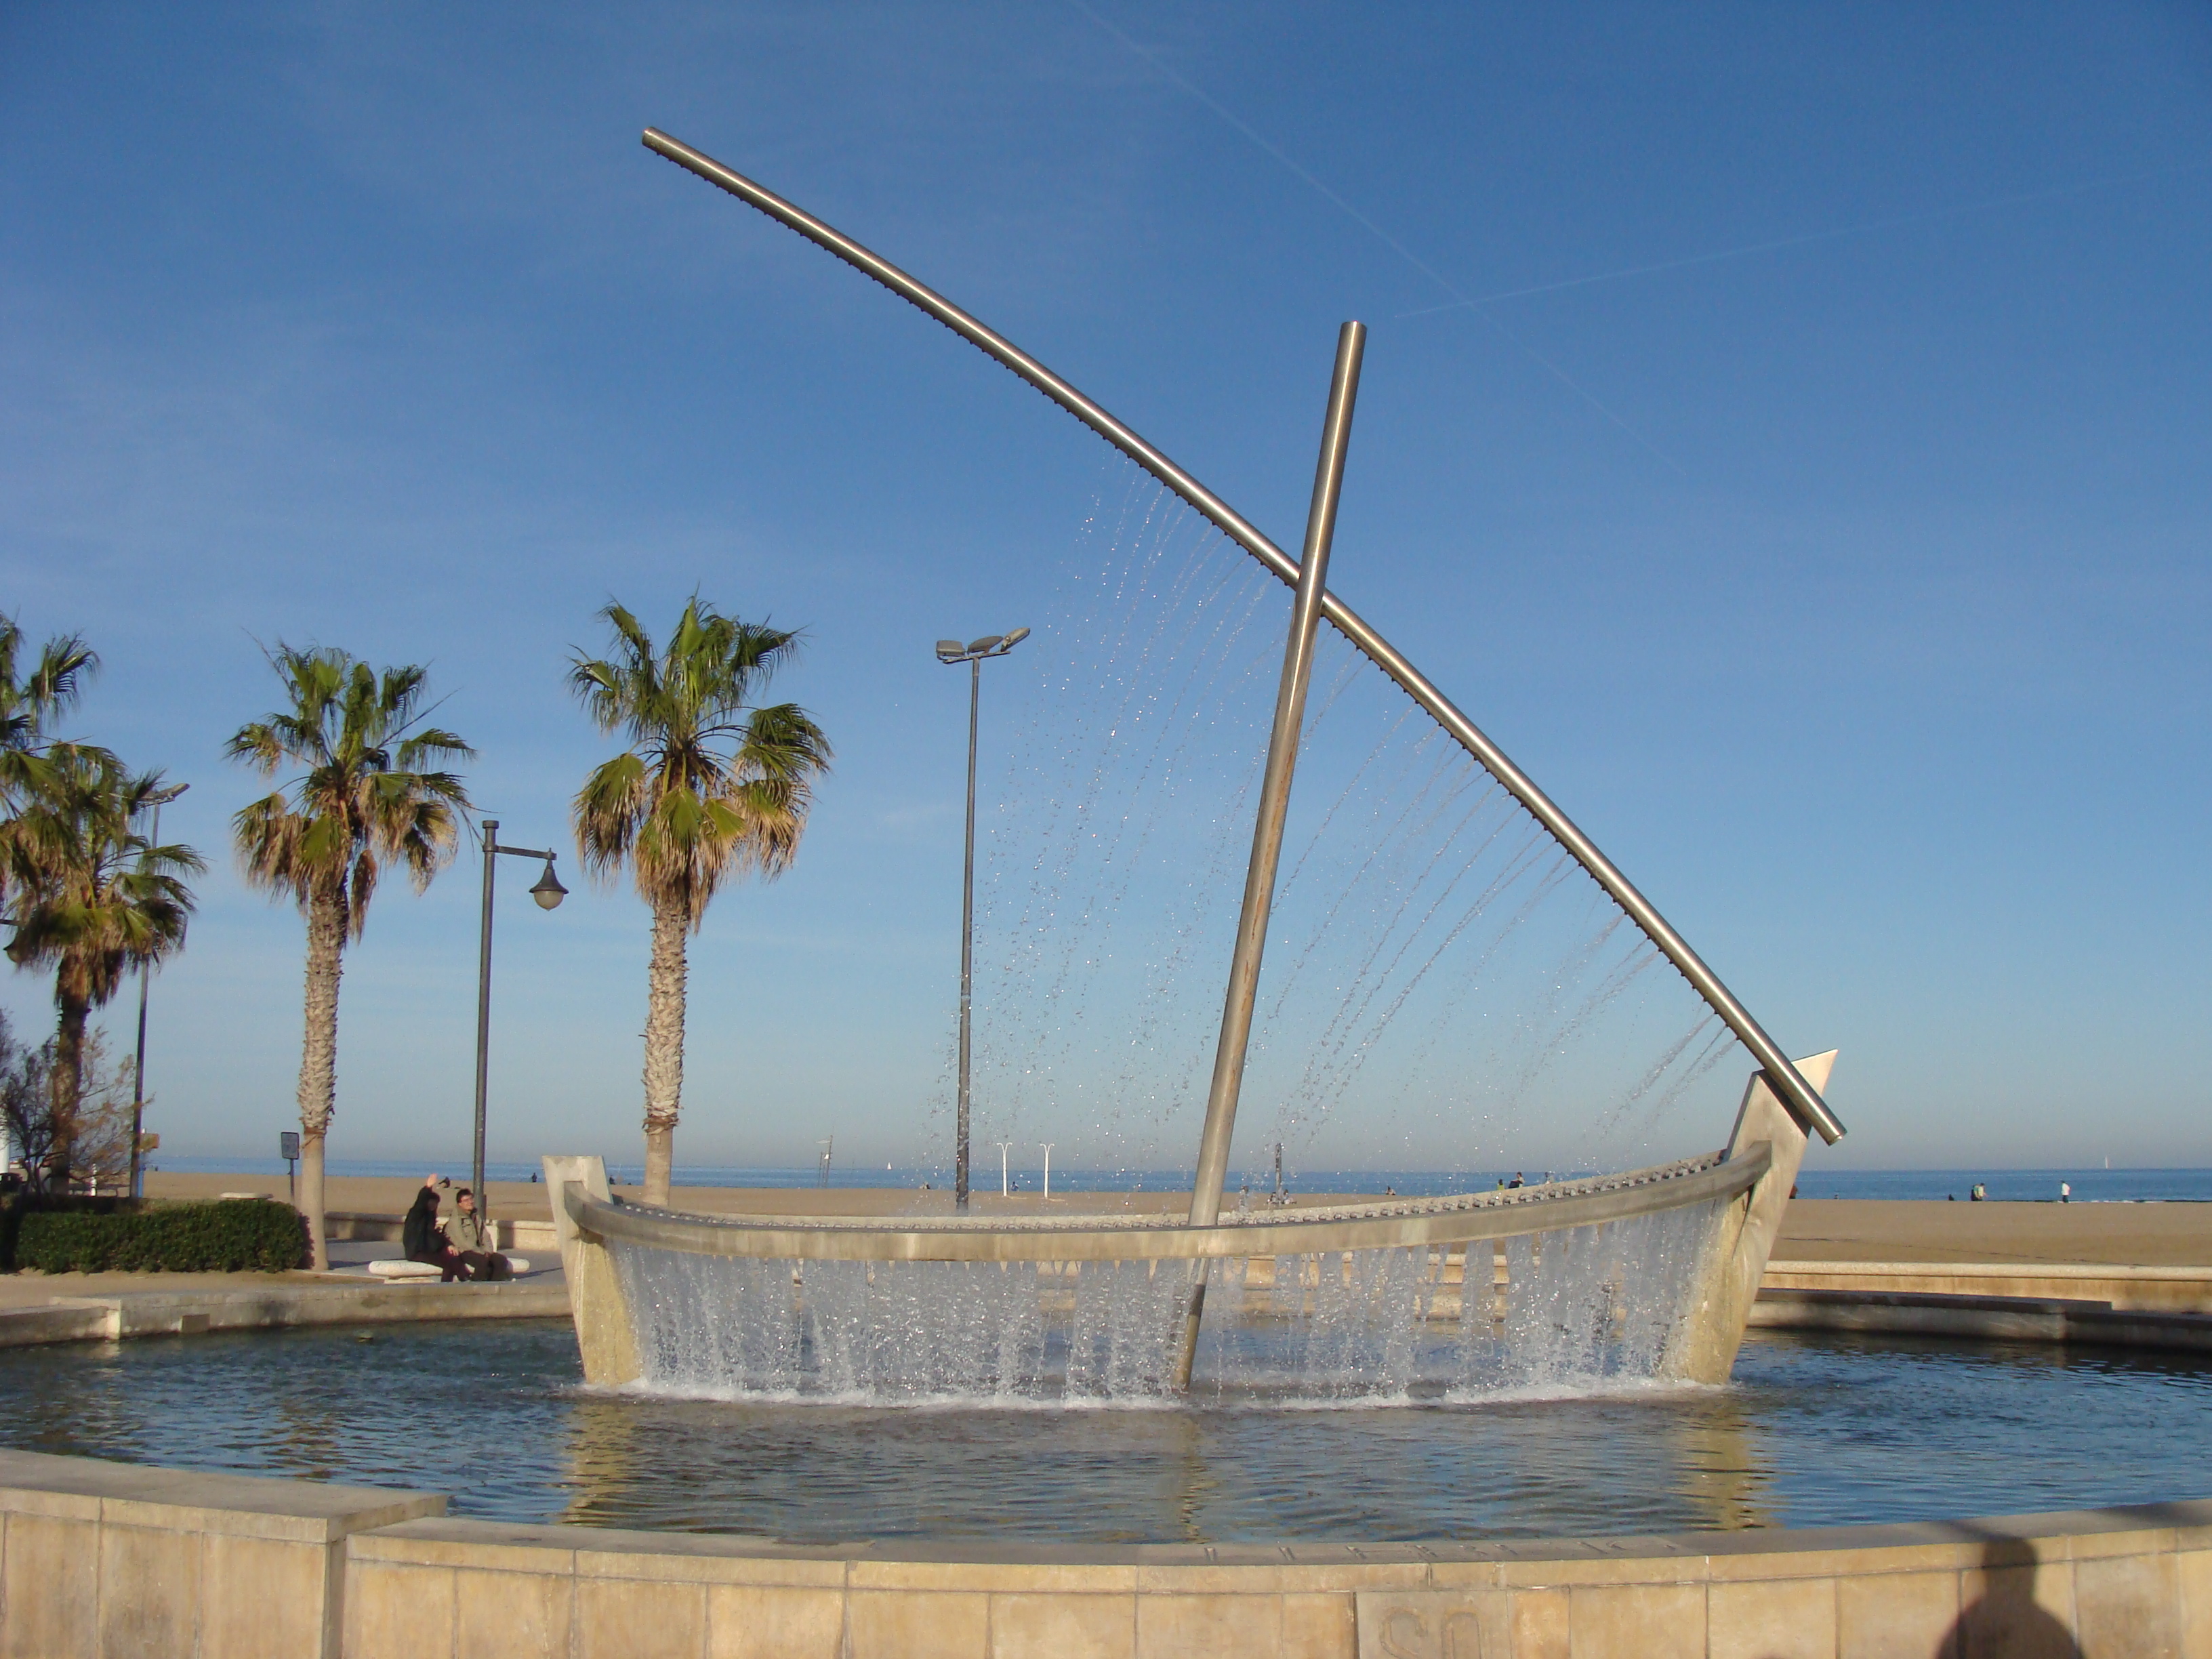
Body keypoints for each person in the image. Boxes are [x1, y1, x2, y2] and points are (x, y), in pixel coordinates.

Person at [402, 1176, 472, 1281]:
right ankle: (465, 1279)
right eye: (432, 1202)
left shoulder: (431, 1216)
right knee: (450, 1262)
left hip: (429, 1249)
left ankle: (456, 1282)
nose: (434, 1205)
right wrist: (428, 1187)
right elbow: (420, 1204)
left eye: (436, 1203)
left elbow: (434, 1235)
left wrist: (449, 1245)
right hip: (417, 1252)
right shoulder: (416, 1215)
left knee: (453, 1258)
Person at [445, 1187, 514, 1280]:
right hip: (464, 1251)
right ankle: (476, 1284)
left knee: (500, 1260)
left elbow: (485, 1235)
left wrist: (488, 1251)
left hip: (480, 1250)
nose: (470, 1202)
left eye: (471, 1199)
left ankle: (495, 1284)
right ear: (460, 1204)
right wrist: (481, 1253)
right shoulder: (456, 1220)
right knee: (483, 1262)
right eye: (466, 1200)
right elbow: (463, 1243)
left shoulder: (476, 1217)